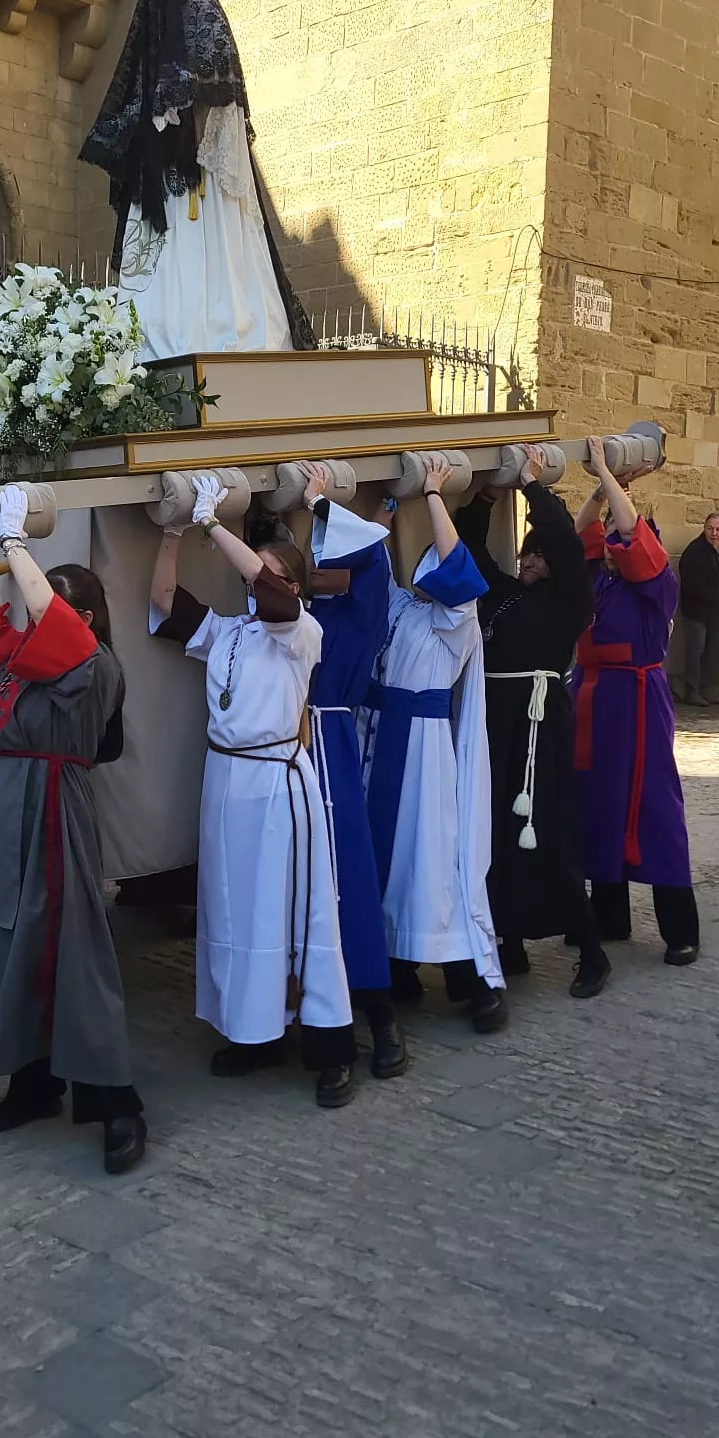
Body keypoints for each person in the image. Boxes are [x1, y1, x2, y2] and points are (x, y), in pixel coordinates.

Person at [0, 488, 146, 1174]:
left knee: (72, 950)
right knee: (6, 946)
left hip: (55, 811)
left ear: (79, 616)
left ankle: (116, 1099)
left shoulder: (96, 666)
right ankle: (33, 1082)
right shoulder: (19, 660)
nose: (30, 611)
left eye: (47, 603)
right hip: (2, 810)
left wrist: (16, 543)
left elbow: (60, 628)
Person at [150, 474, 357, 1107]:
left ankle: (329, 1049)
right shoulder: (229, 632)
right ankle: (253, 1034)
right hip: (225, 780)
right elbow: (161, 601)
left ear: (294, 583)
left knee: (291, 907)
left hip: (275, 786)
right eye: (254, 570)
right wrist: (174, 531)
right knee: (234, 906)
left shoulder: (301, 634)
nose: (256, 580)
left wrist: (216, 524)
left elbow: (273, 596)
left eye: (270, 573)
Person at [80, 0, 314, 359]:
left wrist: (183, 106)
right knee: (167, 298)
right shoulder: (158, 59)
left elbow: (222, 114)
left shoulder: (209, 41)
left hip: (202, 191)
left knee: (204, 290)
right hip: (168, 194)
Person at [455, 448, 611, 999]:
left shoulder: (570, 602)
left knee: (548, 835)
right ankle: (509, 942)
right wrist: (483, 497)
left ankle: (590, 951)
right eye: (526, 556)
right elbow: (469, 553)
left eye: (536, 557)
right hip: (498, 730)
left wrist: (534, 490)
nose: (529, 563)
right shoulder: (504, 598)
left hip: (541, 732)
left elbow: (569, 548)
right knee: (496, 832)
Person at [359, 454, 507, 1032]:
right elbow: (364, 556)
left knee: (434, 864)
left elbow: (458, 570)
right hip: (379, 743)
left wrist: (433, 496)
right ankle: (395, 969)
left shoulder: (457, 620)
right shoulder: (398, 607)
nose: (430, 571)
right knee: (385, 864)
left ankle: (473, 983)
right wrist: (389, 504)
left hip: (423, 755)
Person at [294, 462, 407, 1079]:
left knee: (348, 881)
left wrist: (319, 507)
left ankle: (380, 1013)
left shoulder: (362, 614)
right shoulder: (295, 612)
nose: (319, 565)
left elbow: (374, 561)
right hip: (285, 751)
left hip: (331, 745)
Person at [572, 439, 699, 965]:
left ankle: (680, 930)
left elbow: (629, 534)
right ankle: (610, 918)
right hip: (593, 702)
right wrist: (600, 490)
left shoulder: (659, 585)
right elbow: (580, 532)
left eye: (626, 542)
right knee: (599, 804)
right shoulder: (600, 581)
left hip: (640, 706)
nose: (614, 547)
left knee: (653, 810)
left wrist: (605, 467)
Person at [677, 512, 719, 704]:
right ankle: (692, 691)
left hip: (717, 610)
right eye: (710, 529)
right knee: (696, 648)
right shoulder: (694, 552)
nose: (714, 533)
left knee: (712, 648)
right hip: (697, 609)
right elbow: (693, 587)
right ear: (704, 529)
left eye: (718, 529)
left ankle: (707, 690)